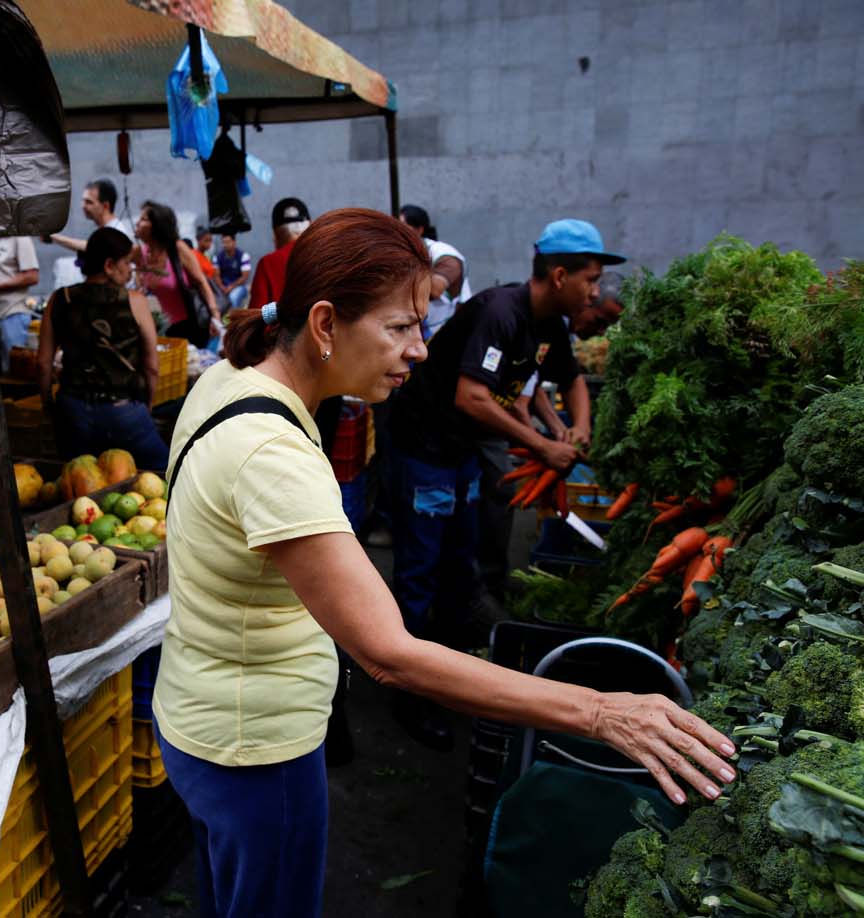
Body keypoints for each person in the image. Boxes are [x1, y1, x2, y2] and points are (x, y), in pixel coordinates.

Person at [152, 209, 735, 918]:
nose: (421, 350)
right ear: (327, 324)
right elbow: (390, 655)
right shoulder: (272, 458)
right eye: (401, 327)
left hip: (196, 717)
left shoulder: (228, 380)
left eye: (421, 324)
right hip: (253, 749)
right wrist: (600, 712)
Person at [384, 218, 621, 745]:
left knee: (457, 567)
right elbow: (471, 397)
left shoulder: (549, 324)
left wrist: (578, 429)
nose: (595, 291)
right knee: (420, 575)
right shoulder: (500, 312)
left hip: (462, 454)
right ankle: (407, 692)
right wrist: (542, 444)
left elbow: (573, 379)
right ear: (559, 275)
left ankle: (444, 674)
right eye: (591, 279)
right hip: (425, 450)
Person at [37, 228, 169, 471]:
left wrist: (48, 404)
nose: (131, 270)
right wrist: (145, 408)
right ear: (109, 265)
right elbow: (151, 367)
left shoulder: (60, 299)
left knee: (81, 482)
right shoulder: (134, 301)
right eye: (127, 262)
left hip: (72, 412)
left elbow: (44, 363)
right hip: (123, 412)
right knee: (165, 471)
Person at [133, 200, 221, 347]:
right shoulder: (139, 253)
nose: (137, 223)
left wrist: (215, 315)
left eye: (143, 219)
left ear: (157, 226)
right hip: (160, 329)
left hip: (190, 325)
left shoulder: (177, 248)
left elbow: (201, 282)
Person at [398, 204, 472, 339]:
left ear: (419, 230)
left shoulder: (445, 255)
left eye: (402, 226)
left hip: (445, 332)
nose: (396, 232)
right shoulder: (404, 253)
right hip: (420, 330)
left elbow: (434, 290)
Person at [0, 236, 41, 372]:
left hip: (13, 312)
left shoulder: (20, 238)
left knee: (16, 370)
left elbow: (32, 276)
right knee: (1, 371)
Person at [247, 197, 310, 309]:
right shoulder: (325, 258)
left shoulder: (267, 263)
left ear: (275, 235)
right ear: (311, 226)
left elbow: (256, 315)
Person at [44, 179, 132, 253]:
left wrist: (55, 238)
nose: (83, 206)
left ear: (105, 206)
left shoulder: (116, 231)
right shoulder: (105, 230)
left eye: (89, 202)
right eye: (83, 201)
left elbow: (92, 247)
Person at [214, 232, 252, 312]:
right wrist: (222, 287)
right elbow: (216, 275)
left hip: (239, 287)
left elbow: (244, 277)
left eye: (228, 242)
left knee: (233, 297)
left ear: (234, 242)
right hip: (223, 287)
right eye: (223, 242)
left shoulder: (243, 256)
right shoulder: (217, 257)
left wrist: (231, 287)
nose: (225, 245)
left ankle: (232, 319)